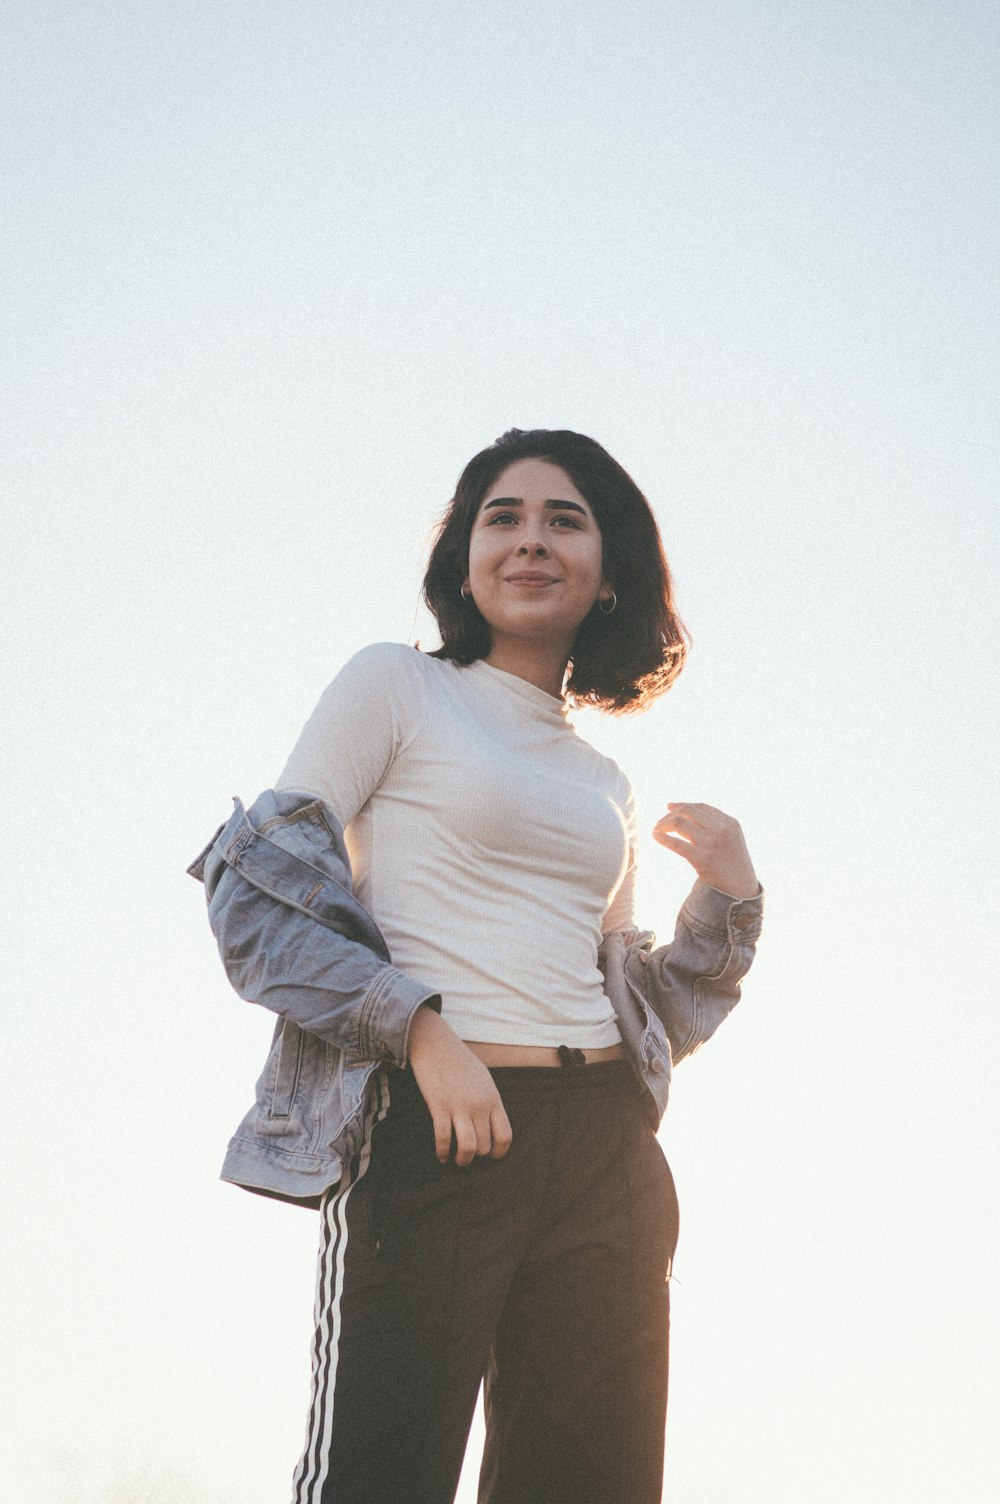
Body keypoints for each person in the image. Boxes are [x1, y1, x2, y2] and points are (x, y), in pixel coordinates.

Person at [187, 427, 764, 1504]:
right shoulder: (397, 687)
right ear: (463, 559)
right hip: (434, 1131)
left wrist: (728, 901)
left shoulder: (605, 783)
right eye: (502, 517)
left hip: (602, 1144)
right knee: (378, 1478)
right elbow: (253, 893)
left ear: (607, 573)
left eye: (563, 520)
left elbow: (638, 1007)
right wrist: (418, 1031)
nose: (529, 540)